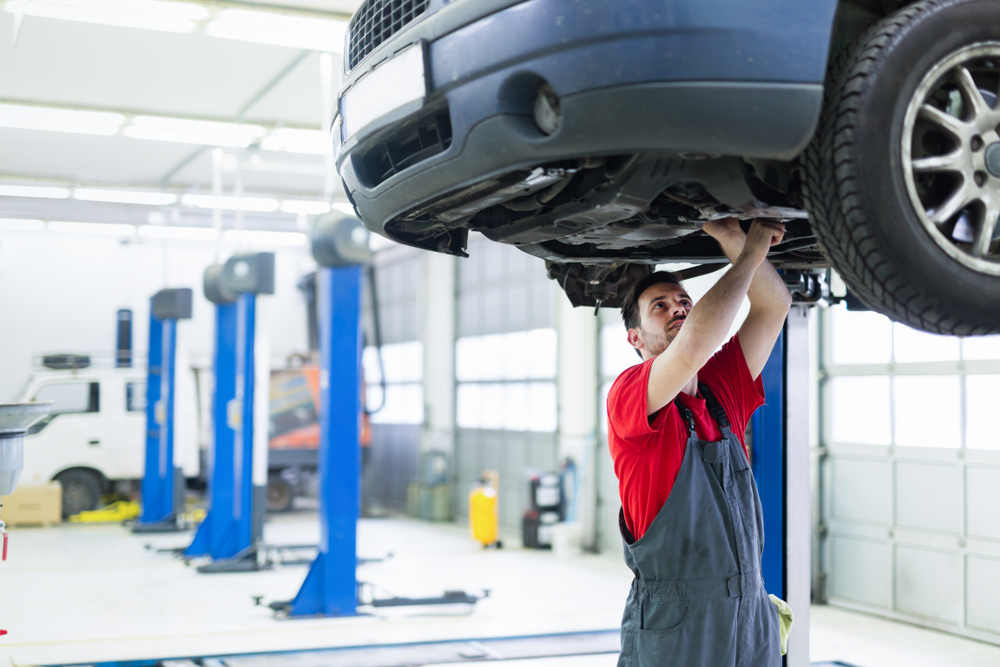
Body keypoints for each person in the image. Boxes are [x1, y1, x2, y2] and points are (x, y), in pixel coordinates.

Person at [608, 217, 792, 667]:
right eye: (659, 306)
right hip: (680, 627)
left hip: (750, 618)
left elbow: (774, 305)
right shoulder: (631, 393)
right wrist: (749, 255)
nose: (678, 308)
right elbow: (692, 347)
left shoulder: (718, 391)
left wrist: (734, 237)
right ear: (635, 338)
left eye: (683, 300)